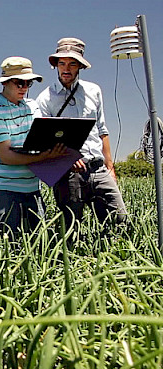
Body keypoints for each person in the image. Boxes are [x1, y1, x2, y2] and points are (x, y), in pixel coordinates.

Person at [36, 38, 127, 229]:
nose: (66, 69)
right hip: (68, 173)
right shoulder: (45, 98)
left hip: (98, 169)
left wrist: (110, 167)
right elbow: (44, 138)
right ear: (56, 66)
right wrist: (69, 156)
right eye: (62, 63)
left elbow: (102, 129)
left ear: (80, 66)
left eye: (72, 64)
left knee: (119, 222)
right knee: (71, 230)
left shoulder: (94, 91)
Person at [0, 56, 67, 236]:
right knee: (6, 242)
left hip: (32, 187)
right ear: (5, 83)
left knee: (40, 241)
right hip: (5, 190)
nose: (24, 88)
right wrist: (44, 157)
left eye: (29, 83)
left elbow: (41, 138)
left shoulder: (32, 106)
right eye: (19, 83)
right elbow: (6, 156)